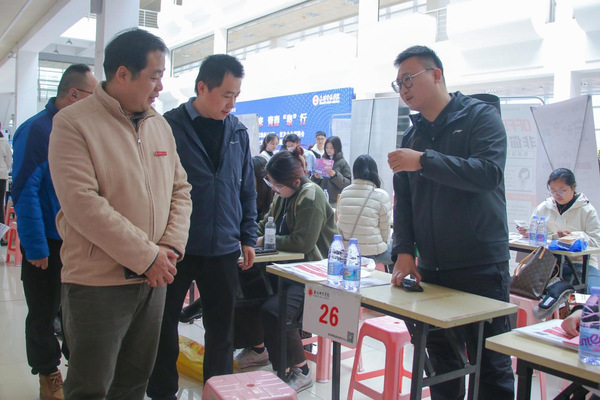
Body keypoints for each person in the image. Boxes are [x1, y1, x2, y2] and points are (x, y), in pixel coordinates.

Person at [47, 29, 192, 399]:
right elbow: (82, 204)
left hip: (154, 281)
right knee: (90, 386)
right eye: (155, 76)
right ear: (123, 74)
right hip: (98, 283)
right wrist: (147, 256)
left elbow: (181, 189)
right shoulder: (73, 123)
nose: (160, 86)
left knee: (133, 383)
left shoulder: (159, 125)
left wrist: (169, 248)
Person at [387, 45, 514, 400]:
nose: (403, 89)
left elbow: (488, 173)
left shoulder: (480, 117)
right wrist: (404, 251)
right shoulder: (413, 136)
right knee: (441, 363)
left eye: (408, 79)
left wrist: (424, 161)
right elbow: (404, 201)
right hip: (432, 268)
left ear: (436, 74)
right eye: (398, 84)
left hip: (480, 265)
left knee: (490, 362)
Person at [147, 54, 257, 398]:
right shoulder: (168, 127)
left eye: (236, 95)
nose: (232, 103)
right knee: (163, 325)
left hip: (223, 247)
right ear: (202, 88)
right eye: (226, 94)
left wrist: (248, 236)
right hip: (175, 247)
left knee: (221, 330)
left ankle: (218, 392)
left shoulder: (237, 131)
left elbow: (247, 188)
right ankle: (163, 392)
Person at [11, 63, 97, 400]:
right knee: (43, 312)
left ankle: (80, 369)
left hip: (78, 240)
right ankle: (48, 373)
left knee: (77, 310)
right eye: (91, 95)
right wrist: (35, 246)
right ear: (73, 94)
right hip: (47, 240)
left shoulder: (81, 129)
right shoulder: (37, 130)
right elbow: (25, 191)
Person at [234, 150, 337, 393]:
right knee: (242, 289)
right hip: (283, 270)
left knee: (274, 311)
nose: (274, 189)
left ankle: (300, 369)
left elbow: (303, 243)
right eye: (271, 184)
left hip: (311, 274)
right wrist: (246, 238)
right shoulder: (282, 196)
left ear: (295, 182)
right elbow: (265, 224)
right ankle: (257, 348)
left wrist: (264, 242)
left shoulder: (311, 196)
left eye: (277, 185)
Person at [517, 168, 600, 292]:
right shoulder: (544, 208)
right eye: (553, 191)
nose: (557, 195)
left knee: (593, 292)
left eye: (562, 191)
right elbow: (537, 236)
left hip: (581, 263)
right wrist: (528, 233)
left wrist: (574, 237)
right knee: (522, 286)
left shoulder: (587, 210)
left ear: (573, 187)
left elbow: (596, 241)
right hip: (548, 263)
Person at [336, 154, 392, 266]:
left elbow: (340, 224)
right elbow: (385, 230)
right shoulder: (381, 195)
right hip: (374, 253)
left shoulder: (345, 192)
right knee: (399, 255)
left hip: (349, 252)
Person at [311, 135, 351, 207]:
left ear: (337, 148)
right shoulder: (322, 161)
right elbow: (314, 183)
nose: (328, 150)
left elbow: (347, 184)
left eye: (331, 148)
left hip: (335, 201)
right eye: (326, 147)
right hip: (321, 199)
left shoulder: (343, 163)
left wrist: (335, 175)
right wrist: (316, 178)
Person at [0, 131, 12, 228]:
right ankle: (1, 232)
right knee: (0, 204)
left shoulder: (4, 143)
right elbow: (9, 161)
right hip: (1, 176)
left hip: (2, 175)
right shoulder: (4, 143)